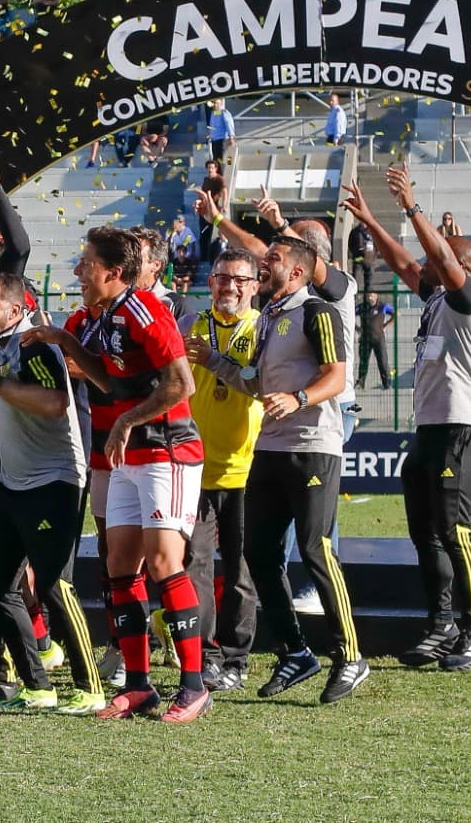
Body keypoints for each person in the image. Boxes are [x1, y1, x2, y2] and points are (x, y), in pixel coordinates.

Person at [25, 228, 211, 722]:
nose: (78, 271)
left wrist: (128, 420)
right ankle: (138, 686)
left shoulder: (146, 309)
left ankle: (194, 686)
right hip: (126, 457)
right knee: (119, 568)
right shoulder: (100, 319)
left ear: (113, 272)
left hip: (167, 450)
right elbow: (108, 380)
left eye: (86, 262)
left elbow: (181, 382)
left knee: (164, 563)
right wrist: (63, 338)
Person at [343, 166, 471, 672]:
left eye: (446, 256)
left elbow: (434, 257)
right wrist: (371, 220)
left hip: (462, 429)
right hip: (430, 430)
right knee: (426, 534)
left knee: (456, 532)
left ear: (463, 267)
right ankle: (441, 624)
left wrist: (412, 207)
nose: (430, 262)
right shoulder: (435, 299)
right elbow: (407, 261)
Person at [197, 234, 365, 703]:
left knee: (315, 548)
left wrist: (299, 398)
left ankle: (349, 656)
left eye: (272, 258)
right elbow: (254, 382)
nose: (263, 263)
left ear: (296, 272)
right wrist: (215, 361)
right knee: (260, 553)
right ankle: (295, 652)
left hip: (313, 447)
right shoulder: (271, 317)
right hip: (268, 449)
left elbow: (337, 375)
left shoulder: (317, 313)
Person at [0, 272, 103, 714]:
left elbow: (54, 402)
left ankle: (91, 686)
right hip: (12, 483)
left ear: (15, 306)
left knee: (52, 585)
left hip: (53, 480)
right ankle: (37, 684)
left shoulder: (32, 343)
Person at [181, 249, 263, 694]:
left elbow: (256, 380)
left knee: (240, 571)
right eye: (221, 279)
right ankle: (204, 656)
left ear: (254, 285)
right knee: (194, 566)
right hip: (195, 468)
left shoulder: (261, 328)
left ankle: (236, 658)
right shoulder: (192, 325)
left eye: (238, 280)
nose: (228, 287)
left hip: (246, 471)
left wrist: (215, 360)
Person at [356, 290, 394, 390]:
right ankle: (361, 382)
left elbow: (395, 314)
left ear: (376, 296)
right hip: (365, 339)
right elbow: (350, 314)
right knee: (363, 362)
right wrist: (357, 328)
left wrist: (385, 325)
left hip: (379, 339)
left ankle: (387, 384)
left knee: (383, 362)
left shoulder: (383, 306)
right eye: (368, 296)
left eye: (372, 296)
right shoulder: (361, 307)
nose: (370, 298)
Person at [205, 98, 235, 162]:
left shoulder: (224, 112)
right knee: (215, 159)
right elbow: (212, 125)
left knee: (222, 159)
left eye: (217, 103)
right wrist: (210, 134)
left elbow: (228, 124)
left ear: (221, 103)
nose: (215, 105)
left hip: (222, 139)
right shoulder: (213, 113)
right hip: (214, 139)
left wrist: (231, 137)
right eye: (214, 103)